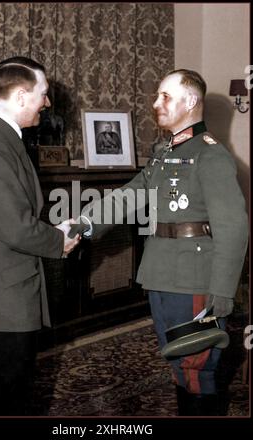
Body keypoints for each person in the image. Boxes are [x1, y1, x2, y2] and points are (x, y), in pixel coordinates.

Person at [74, 69, 248, 416]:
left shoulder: (210, 155)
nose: (156, 103)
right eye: (157, 96)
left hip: (194, 279)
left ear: (191, 101)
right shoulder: (165, 153)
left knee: (199, 369)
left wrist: (223, 292)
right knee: (179, 364)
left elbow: (233, 225)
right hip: (161, 275)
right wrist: (83, 224)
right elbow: (129, 196)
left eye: (165, 96)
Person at [0, 56, 80, 416]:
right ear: (22, 95)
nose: (48, 102)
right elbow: (13, 226)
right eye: (43, 94)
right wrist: (59, 240)